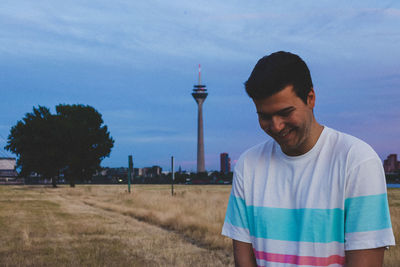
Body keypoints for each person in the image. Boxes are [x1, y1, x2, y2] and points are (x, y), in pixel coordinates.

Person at [222, 51, 395, 267]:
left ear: (310, 98)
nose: (276, 126)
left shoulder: (357, 161)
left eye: (285, 112)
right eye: (265, 116)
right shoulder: (248, 166)